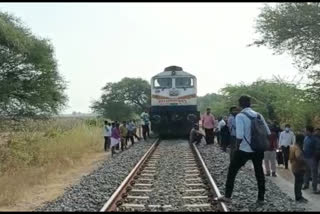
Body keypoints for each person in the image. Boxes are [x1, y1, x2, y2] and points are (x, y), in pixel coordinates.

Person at [221, 95, 270, 204]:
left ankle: (227, 196)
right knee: (259, 172)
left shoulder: (240, 116)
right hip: (258, 149)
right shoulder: (259, 115)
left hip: (244, 149)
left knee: (232, 171)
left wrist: (236, 149)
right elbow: (268, 132)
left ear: (240, 105)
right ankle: (261, 198)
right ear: (250, 103)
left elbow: (239, 136)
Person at [289, 134, 308, 202]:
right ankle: (298, 197)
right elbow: (299, 157)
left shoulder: (293, 146)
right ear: (301, 141)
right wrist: (305, 161)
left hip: (294, 166)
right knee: (299, 183)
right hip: (298, 168)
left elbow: (291, 158)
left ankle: (299, 196)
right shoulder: (297, 148)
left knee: (297, 183)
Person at [302, 125, 320, 193]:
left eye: (306, 130)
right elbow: (304, 146)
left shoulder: (315, 139)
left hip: (312, 158)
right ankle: (306, 184)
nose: (305, 132)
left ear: (309, 131)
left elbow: (317, 149)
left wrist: (314, 157)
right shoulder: (306, 137)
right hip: (306, 157)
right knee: (306, 172)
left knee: (314, 174)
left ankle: (314, 188)